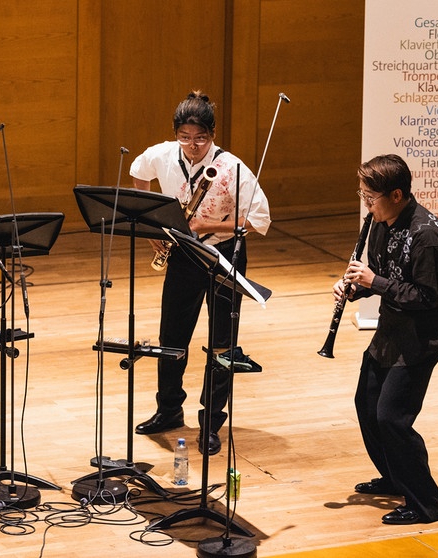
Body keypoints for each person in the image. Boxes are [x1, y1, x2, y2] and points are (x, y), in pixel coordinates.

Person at [129, 91, 271, 455]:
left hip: (223, 256)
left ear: (213, 134)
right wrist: (152, 232)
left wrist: (206, 223)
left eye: (201, 138)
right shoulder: (161, 154)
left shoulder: (232, 167)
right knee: (171, 336)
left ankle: (211, 421)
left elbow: (259, 220)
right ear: (176, 133)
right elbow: (138, 175)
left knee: (222, 343)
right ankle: (169, 409)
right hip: (183, 255)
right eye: (185, 137)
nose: (193, 146)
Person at [335, 154, 438, 525]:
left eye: (369, 198)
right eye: (362, 196)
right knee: (366, 402)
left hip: (423, 337)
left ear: (395, 194)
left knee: (392, 417)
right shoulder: (380, 221)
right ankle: (394, 477)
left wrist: (373, 282)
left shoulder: (428, 236)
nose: (366, 205)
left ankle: (427, 504)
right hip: (393, 328)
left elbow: (426, 297)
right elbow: (382, 275)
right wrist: (355, 288)